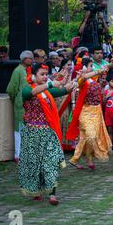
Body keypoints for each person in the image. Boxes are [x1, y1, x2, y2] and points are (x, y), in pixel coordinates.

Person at [19, 62, 76, 205]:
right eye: (42, 74)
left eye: (46, 74)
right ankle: (36, 190)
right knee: (33, 164)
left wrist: (70, 87)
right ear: (33, 76)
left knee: (50, 162)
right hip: (32, 134)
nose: (45, 77)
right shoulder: (27, 90)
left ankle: (52, 194)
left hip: (47, 133)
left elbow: (62, 91)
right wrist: (50, 84)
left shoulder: (46, 92)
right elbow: (31, 93)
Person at [66, 58, 112, 170]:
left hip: (97, 111)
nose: (93, 68)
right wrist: (99, 71)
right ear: (84, 67)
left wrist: (110, 65)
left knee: (84, 137)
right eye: (91, 65)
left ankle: (80, 159)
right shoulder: (82, 78)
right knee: (91, 136)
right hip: (86, 111)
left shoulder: (94, 80)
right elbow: (84, 78)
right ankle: (84, 158)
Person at [6, 51, 34, 163]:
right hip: (20, 104)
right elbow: (10, 89)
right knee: (19, 128)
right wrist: (16, 99)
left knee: (27, 128)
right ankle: (18, 155)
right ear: (24, 59)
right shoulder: (18, 70)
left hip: (27, 104)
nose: (32, 60)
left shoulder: (26, 70)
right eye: (30, 58)